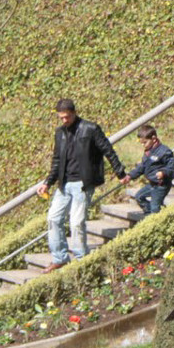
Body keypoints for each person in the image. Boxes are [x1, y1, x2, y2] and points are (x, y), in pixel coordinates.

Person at [36, 98, 125, 268]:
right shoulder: (60, 132)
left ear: (74, 113)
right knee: (53, 219)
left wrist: (120, 172)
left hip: (82, 184)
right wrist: (48, 182)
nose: (64, 120)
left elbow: (108, 149)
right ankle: (60, 258)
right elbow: (57, 160)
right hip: (64, 183)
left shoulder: (90, 129)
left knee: (76, 222)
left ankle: (81, 260)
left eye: (67, 117)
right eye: (61, 117)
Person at [123, 124, 174, 215]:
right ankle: (151, 216)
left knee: (155, 207)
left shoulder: (164, 151)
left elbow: (172, 165)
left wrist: (163, 173)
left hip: (161, 185)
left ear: (154, 139)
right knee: (139, 197)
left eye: (144, 142)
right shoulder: (148, 152)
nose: (143, 145)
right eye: (141, 143)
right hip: (152, 184)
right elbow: (142, 167)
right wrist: (130, 176)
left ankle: (156, 215)